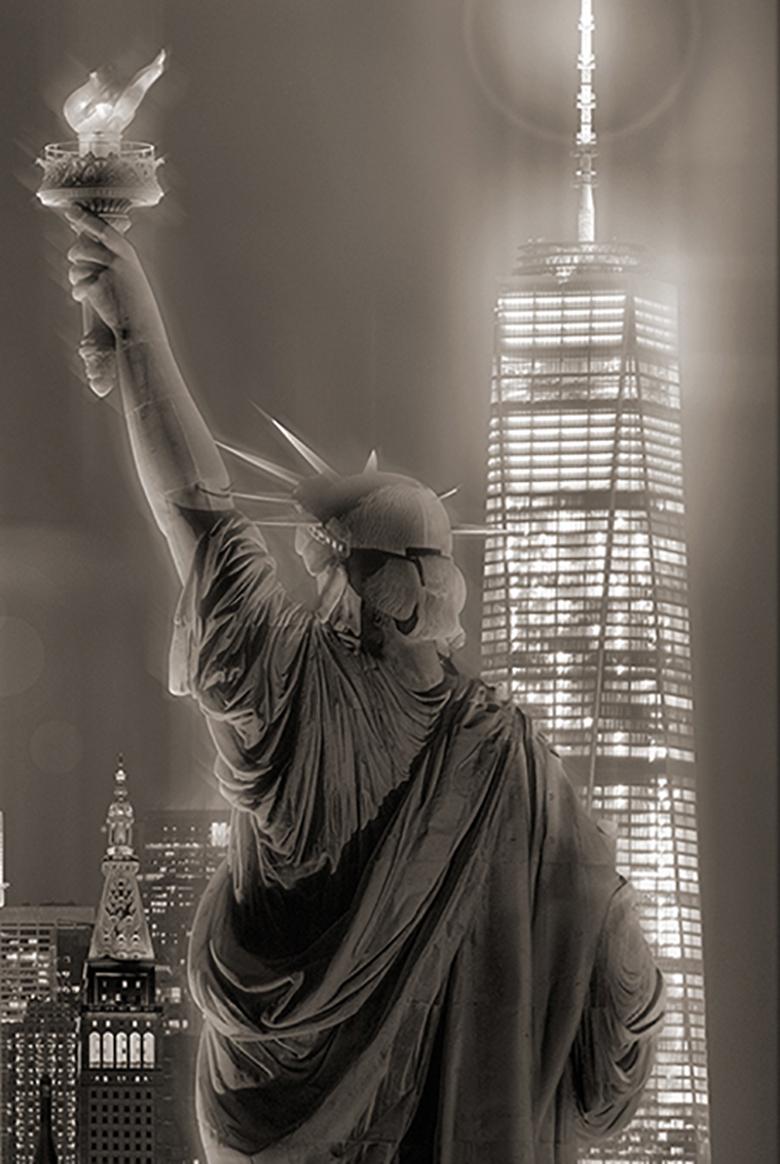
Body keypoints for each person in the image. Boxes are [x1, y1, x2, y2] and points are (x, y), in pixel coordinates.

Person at [64, 207, 664, 1164]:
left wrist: (139, 334)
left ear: (373, 587)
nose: (317, 578)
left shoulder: (296, 689)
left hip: (277, 1122)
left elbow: (196, 510)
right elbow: (622, 962)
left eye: (329, 566)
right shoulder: (513, 759)